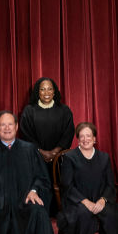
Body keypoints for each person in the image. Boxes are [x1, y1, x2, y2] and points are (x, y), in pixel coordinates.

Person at [57, 122, 118, 234]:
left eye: (88, 135)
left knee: (113, 216)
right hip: (77, 201)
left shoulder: (104, 158)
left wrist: (102, 200)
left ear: (94, 138)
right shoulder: (70, 157)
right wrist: (85, 202)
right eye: (81, 136)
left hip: (100, 199)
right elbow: (67, 186)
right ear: (77, 139)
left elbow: (110, 184)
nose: (85, 139)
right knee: (83, 214)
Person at [19, 77, 74, 213]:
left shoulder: (64, 110)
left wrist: (55, 151)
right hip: (35, 157)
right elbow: (26, 134)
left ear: (54, 92)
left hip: (59, 158)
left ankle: (59, 210)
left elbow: (68, 132)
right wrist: (40, 151)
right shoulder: (29, 111)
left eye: (50, 89)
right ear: (38, 92)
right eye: (42, 89)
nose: (46, 92)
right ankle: (40, 210)